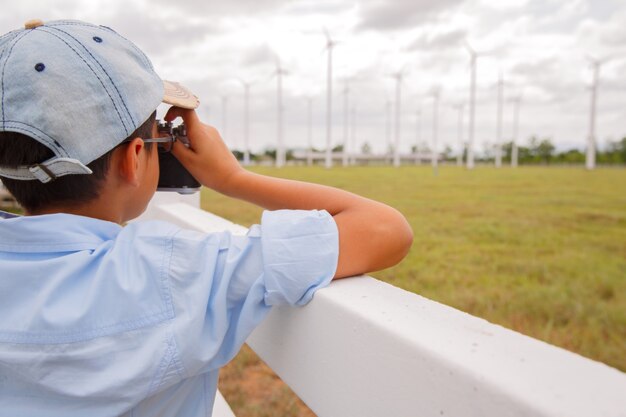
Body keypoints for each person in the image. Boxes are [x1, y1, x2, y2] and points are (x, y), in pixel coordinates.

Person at [0, 19, 413, 416]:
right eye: (160, 135)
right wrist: (232, 178)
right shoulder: (172, 273)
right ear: (136, 158)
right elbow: (385, 228)